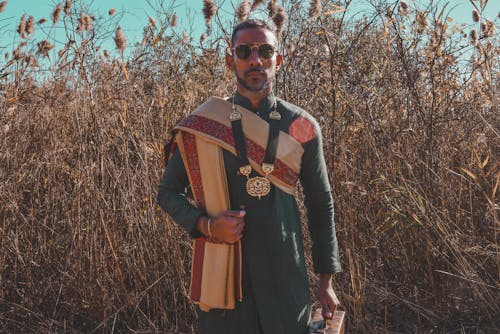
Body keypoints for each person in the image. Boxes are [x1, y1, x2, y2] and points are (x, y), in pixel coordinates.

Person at [157, 19, 341, 334]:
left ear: (277, 60)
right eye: (244, 51)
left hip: (285, 279)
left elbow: (320, 203)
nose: (255, 60)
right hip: (225, 285)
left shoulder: (302, 126)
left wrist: (326, 280)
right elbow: (167, 193)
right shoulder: (204, 127)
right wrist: (208, 225)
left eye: (265, 51)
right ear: (231, 60)